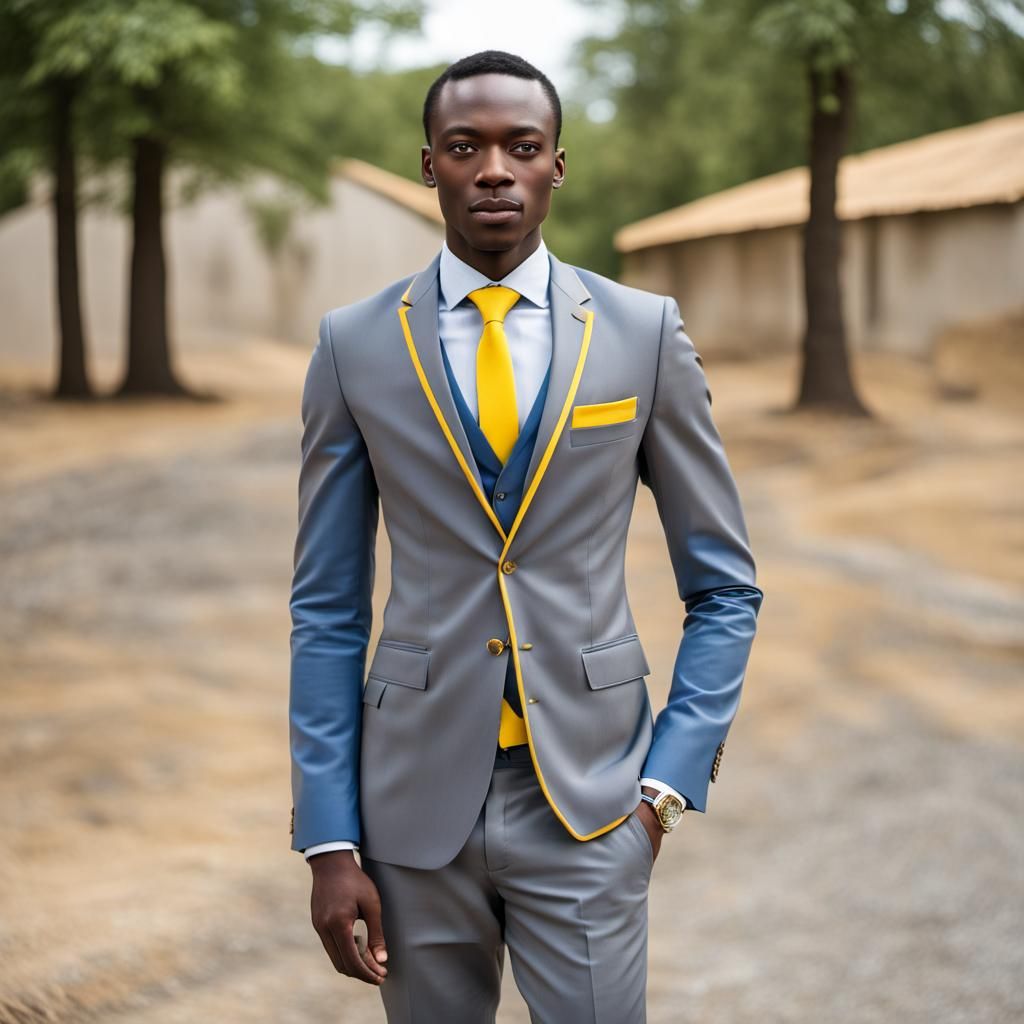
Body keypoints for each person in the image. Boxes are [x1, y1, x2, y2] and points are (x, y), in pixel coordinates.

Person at [288, 49, 764, 1024]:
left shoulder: (641, 333)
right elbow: (326, 609)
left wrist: (665, 785)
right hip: (410, 808)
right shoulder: (354, 344)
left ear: (557, 165)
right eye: (465, 146)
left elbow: (724, 589)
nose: (494, 168)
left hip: (591, 805)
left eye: (522, 146)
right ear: (430, 165)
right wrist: (328, 838)